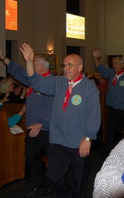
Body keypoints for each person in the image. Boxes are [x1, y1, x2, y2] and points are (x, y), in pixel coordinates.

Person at [20, 43, 101, 198]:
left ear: (80, 67)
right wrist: (29, 62)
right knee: (53, 177)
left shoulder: (89, 87)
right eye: (64, 65)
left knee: (79, 182)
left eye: (70, 65)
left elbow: (94, 115)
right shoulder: (59, 82)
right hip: (58, 140)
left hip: (79, 142)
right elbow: (36, 82)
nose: (66, 69)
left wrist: (88, 138)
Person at [0, 44, 56, 197]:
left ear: (40, 67)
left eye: (33, 65)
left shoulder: (53, 82)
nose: (30, 68)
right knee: (30, 156)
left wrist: (40, 123)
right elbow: (19, 71)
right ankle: (39, 183)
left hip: (47, 128)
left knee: (52, 159)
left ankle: (52, 186)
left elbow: (53, 106)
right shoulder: (33, 81)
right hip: (31, 127)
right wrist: (3, 58)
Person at [92, 49, 124, 156]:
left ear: (122, 65)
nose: (114, 66)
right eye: (113, 64)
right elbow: (99, 67)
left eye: (116, 64)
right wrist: (95, 58)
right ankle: (107, 150)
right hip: (112, 106)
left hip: (123, 107)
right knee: (110, 129)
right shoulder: (111, 73)